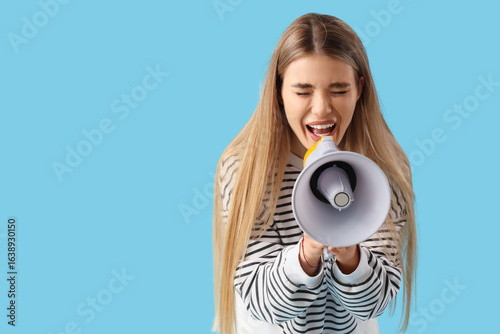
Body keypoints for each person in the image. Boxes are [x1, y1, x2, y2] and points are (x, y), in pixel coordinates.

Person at [212, 13, 417, 334]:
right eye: (302, 91)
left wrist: (350, 254)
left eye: (338, 90)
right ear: (279, 92)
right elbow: (261, 301)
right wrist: (307, 254)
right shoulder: (245, 172)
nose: (321, 108)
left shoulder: (385, 171)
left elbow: (373, 303)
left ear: (359, 88)